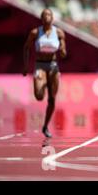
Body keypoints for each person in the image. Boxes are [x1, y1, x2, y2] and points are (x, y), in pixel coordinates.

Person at [23, 8, 67, 138]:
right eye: (44, 15)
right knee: (39, 96)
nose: (47, 17)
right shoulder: (35, 32)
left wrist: (63, 51)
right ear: (41, 19)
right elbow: (26, 48)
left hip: (53, 65)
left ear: (52, 18)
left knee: (52, 99)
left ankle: (45, 126)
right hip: (40, 65)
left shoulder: (59, 32)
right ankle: (43, 82)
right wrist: (25, 66)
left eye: (49, 15)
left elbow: (64, 52)